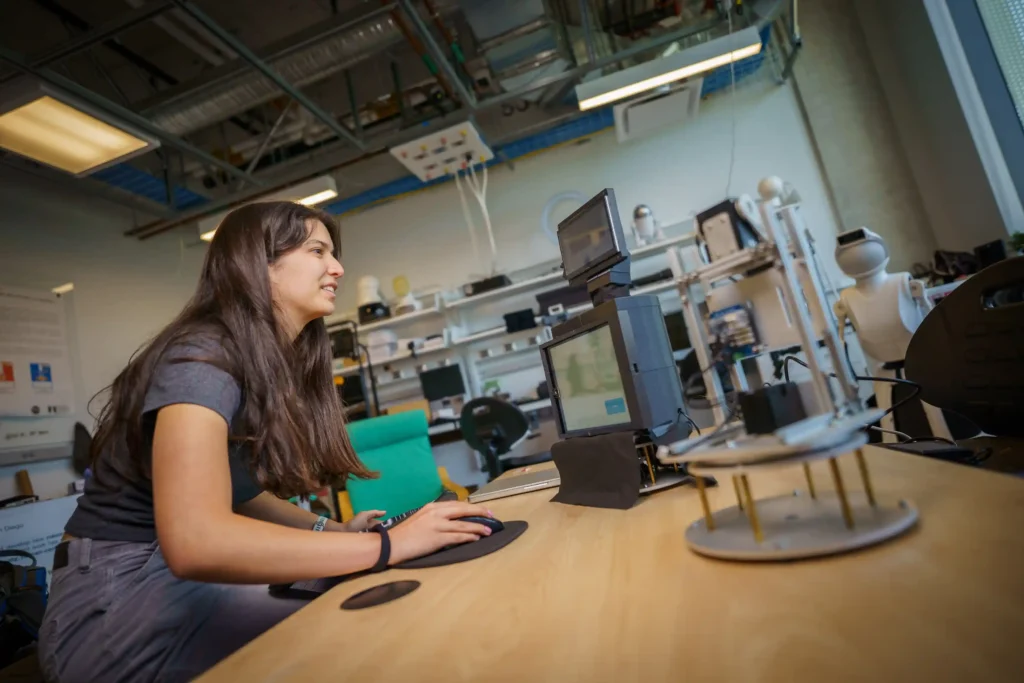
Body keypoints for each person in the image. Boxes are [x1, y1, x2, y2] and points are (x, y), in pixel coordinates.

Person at [38, 202, 495, 683]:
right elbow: (196, 542)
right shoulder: (201, 360)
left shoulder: (248, 360)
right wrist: (387, 545)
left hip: (158, 581)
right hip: (112, 607)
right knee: (355, 637)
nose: (337, 268)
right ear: (260, 264)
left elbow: (243, 494)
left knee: (360, 601)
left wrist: (335, 534)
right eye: (318, 250)